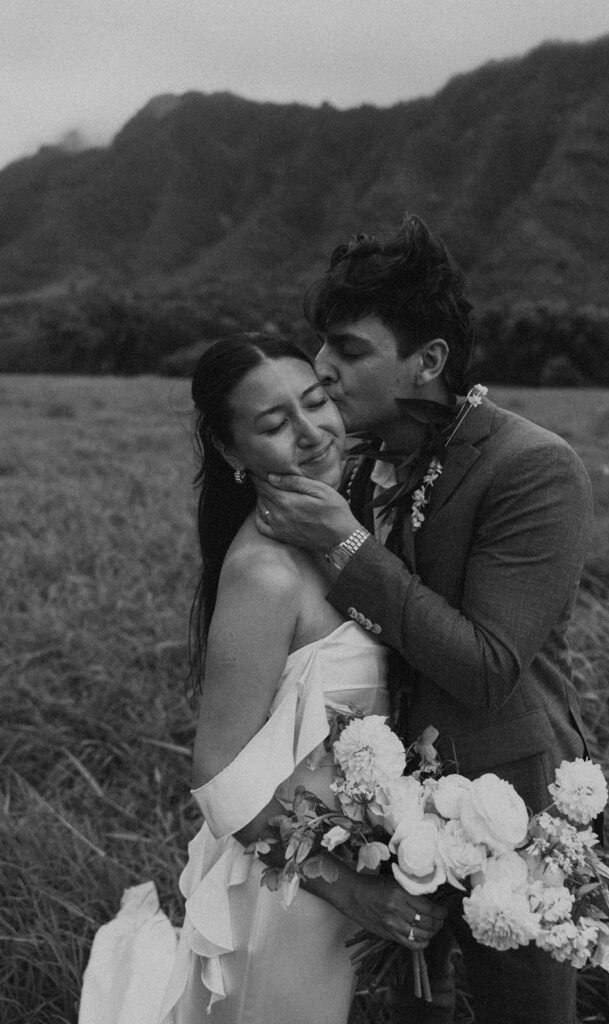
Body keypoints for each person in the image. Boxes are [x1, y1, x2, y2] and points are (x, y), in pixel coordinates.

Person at [254, 217, 594, 1024]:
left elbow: (484, 665)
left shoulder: (533, 467)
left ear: (429, 360)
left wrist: (343, 542)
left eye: (350, 350)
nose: (323, 371)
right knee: (412, 1012)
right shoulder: (355, 461)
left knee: (526, 1012)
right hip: (379, 803)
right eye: (320, 347)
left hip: (514, 804)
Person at [147, 333, 445, 1024]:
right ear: (231, 452)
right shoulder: (265, 573)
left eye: (316, 403)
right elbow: (218, 771)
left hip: (351, 874)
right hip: (289, 894)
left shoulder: (346, 535)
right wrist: (350, 891)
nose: (311, 434)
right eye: (274, 425)